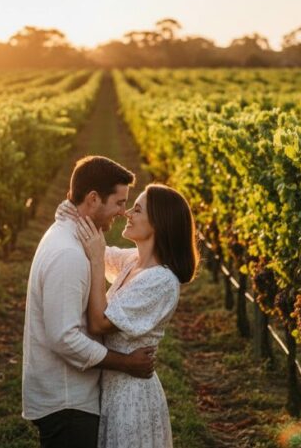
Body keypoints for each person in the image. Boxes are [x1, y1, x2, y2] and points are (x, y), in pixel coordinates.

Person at [22, 155, 157, 448]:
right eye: (120, 202)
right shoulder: (68, 253)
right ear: (93, 199)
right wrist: (125, 363)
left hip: (67, 398)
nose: (123, 212)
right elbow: (65, 338)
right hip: (67, 402)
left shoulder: (68, 234)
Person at [57, 183, 199, 448]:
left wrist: (98, 261)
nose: (127, 213)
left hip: (132, 398)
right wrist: (76, 209)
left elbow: (99, 323)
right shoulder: (134, 262)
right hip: (112, 389)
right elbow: (94, 246)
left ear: (159, 223)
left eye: (137, 209)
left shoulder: (161, 281)